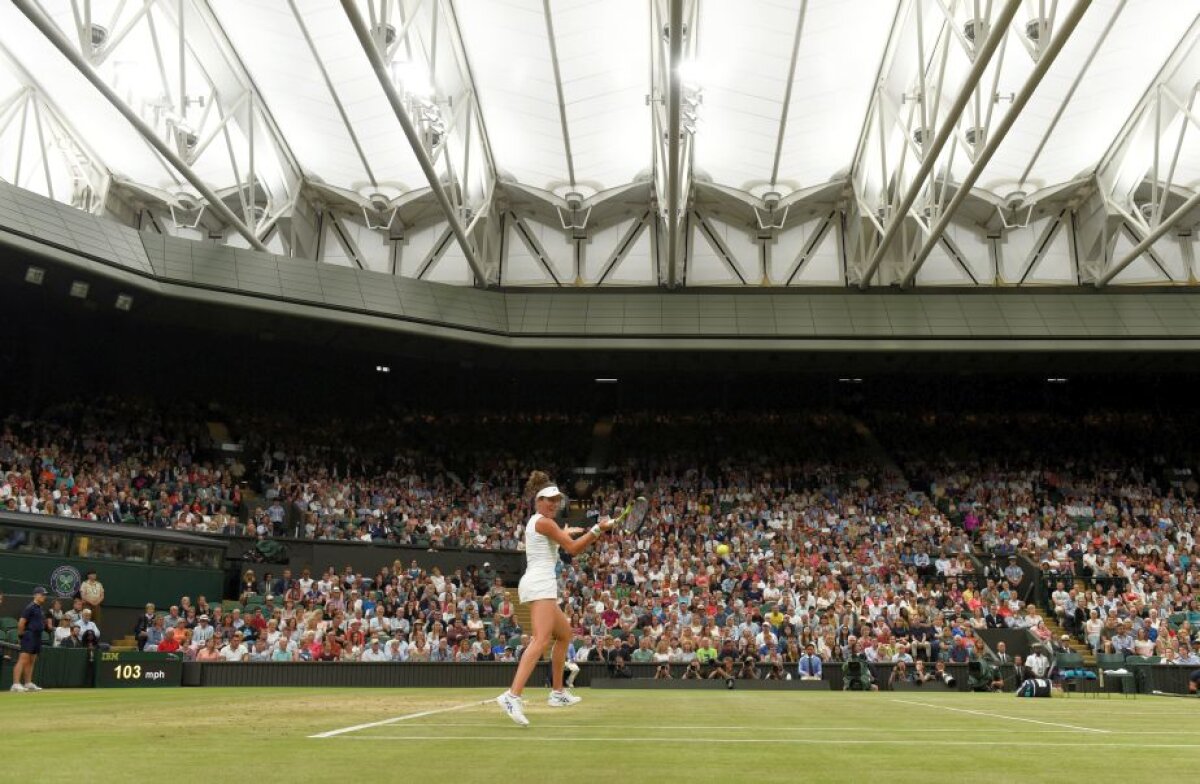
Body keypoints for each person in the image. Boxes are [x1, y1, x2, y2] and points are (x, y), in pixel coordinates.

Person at [495, 472, 615, 726]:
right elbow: (572, 548)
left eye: (556, 500)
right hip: (540, 585)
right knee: (540, 640)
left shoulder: (542, 522)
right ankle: (511, 696)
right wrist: (597, 529)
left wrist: (565, 531)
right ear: (538, 501)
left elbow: (557, 539)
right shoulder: (545, 523)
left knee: (564, 635)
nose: (553, 504)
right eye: (548, 500)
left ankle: (558, 693)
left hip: (540, 583)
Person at [11, 587, 48, 692]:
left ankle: (28, 683)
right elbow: (21, 623)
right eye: (41, 594)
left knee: (32, 661)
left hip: (37, 636)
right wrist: (21, 636)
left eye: (44, 595)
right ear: (35, 595)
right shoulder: (30, 607)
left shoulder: (40, 608)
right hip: (29, 635)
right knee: (23, 660)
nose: (43, 596)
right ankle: (16, 684)